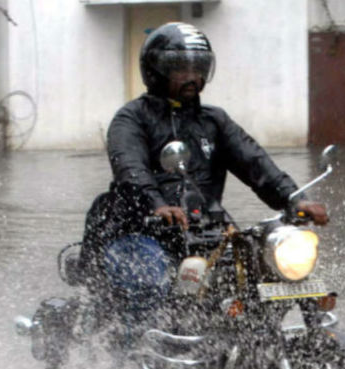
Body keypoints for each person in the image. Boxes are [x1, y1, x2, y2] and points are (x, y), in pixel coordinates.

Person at [73, 22, 327, 309]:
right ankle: (139, 346)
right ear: (155, 70)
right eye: (181, 68)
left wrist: (294, 199)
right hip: (144, 229)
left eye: (198, 68)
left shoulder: (214, 121)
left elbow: (255, 162)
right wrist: (156, 204)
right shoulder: (131, 118)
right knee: (146, 279)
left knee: (271, 272)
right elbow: (130, 168)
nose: (192, 77)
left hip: (206, 230)